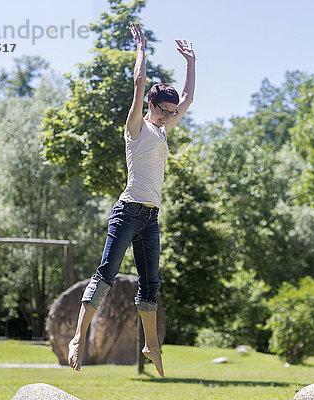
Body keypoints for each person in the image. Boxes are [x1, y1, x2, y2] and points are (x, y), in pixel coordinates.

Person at [67, 21, 195, 377]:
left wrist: (191, 63)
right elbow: (139, 83)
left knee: (150, 284)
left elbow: (187, 99)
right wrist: (141, 49)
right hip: (127, 212)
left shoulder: (163, 129)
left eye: (172, 113)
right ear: (150, 105)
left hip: (151, 216)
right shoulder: (136, 127)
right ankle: (78, 336)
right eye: (163, 110)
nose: (170, 115)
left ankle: (151, 345)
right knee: (107, 274)